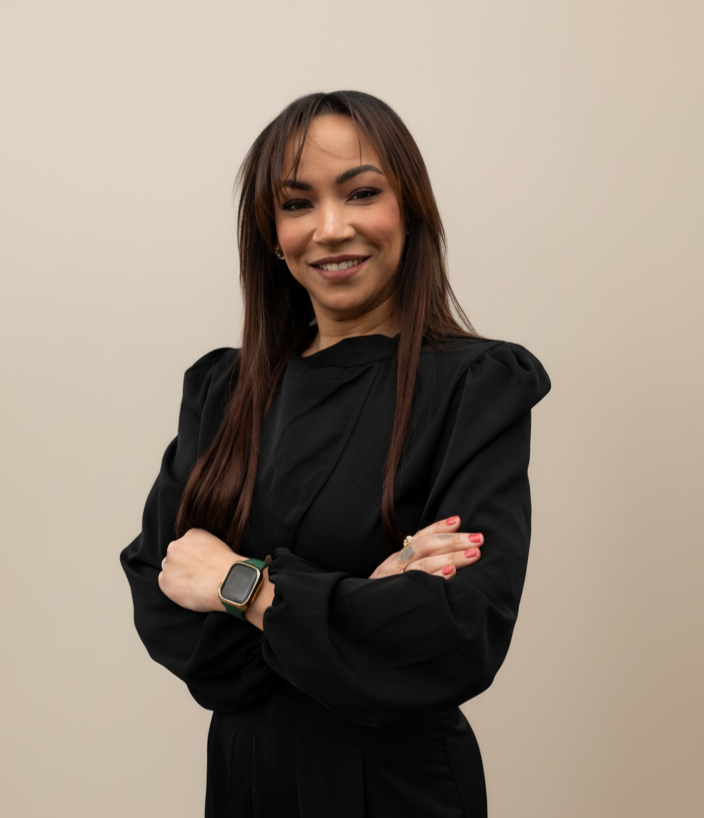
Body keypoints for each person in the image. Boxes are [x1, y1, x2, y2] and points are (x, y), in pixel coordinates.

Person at [120, 90, 551, 818]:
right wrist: (359, 609)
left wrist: (241, 587)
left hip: (393, 790)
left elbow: (455, 636)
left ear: (409, 208)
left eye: (361, 193)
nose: (331, 228)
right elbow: (162, 605)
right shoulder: (222, 390)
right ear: (270, 234)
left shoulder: (476, 385)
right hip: (244, 784)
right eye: (297, 204)